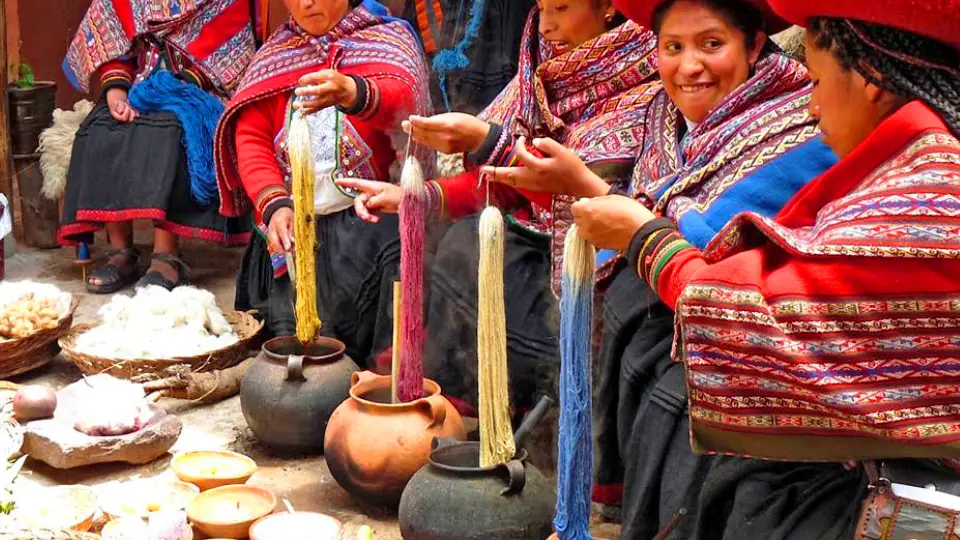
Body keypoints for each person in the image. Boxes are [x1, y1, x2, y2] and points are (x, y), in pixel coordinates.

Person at [572, 0, 960, 537]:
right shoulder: (908, 165)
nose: (812, 107)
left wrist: (643, 238)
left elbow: (754, 315)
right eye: (672, 48)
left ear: (870, 78)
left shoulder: (925, 196)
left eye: (819, 83)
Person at [479, 0, 836, 530]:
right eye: (673, 47)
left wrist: (591, 193)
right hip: (653, 320)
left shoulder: (803, 128)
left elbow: (709, 245)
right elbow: (644, 209)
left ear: (755, 45)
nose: (689, 66)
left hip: (722, 362)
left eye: (711, 45)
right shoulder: (661, 114)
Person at [339, 0, 659, 412]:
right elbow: (510, 185)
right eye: (541, 8)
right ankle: (454, 399)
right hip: (536, 237)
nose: (545, 25)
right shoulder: (541, 67)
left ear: (610, 8)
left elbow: (596, 206)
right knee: (459, 243)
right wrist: (418, 197)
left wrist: (487, 142)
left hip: (602, 271)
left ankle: (527, 415)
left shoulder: (648, 86)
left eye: (560, 8)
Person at [214, 0, 433, 366]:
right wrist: (275, 205)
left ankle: (380, 378)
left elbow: (406, 102)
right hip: (293, 225)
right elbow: (250, 137)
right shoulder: (275, 57)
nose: (306, 3)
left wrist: (354, 92)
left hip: (364, 222)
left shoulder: (387, 40)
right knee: (290, 345)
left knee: (384, 314)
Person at [59, 0, 264, 293]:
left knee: (167, 132)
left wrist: (165, 91)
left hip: (196, 89)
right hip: (137, 87)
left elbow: (233, 53)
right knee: (101, 129)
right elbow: (114, 50)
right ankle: (121, 252)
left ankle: (166, 256)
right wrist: (117, 92)